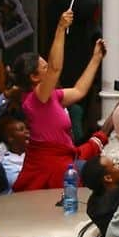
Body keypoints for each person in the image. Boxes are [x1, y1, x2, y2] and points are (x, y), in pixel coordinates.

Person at [10, 11, 108, 192]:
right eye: (44, 67)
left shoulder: (52, 95)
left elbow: (79, 91)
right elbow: (56, 68)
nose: (49, 69)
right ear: (33, 77)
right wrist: (61, 29)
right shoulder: (35, 99)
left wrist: (95, 59)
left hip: (64, 162)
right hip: (50, 168)